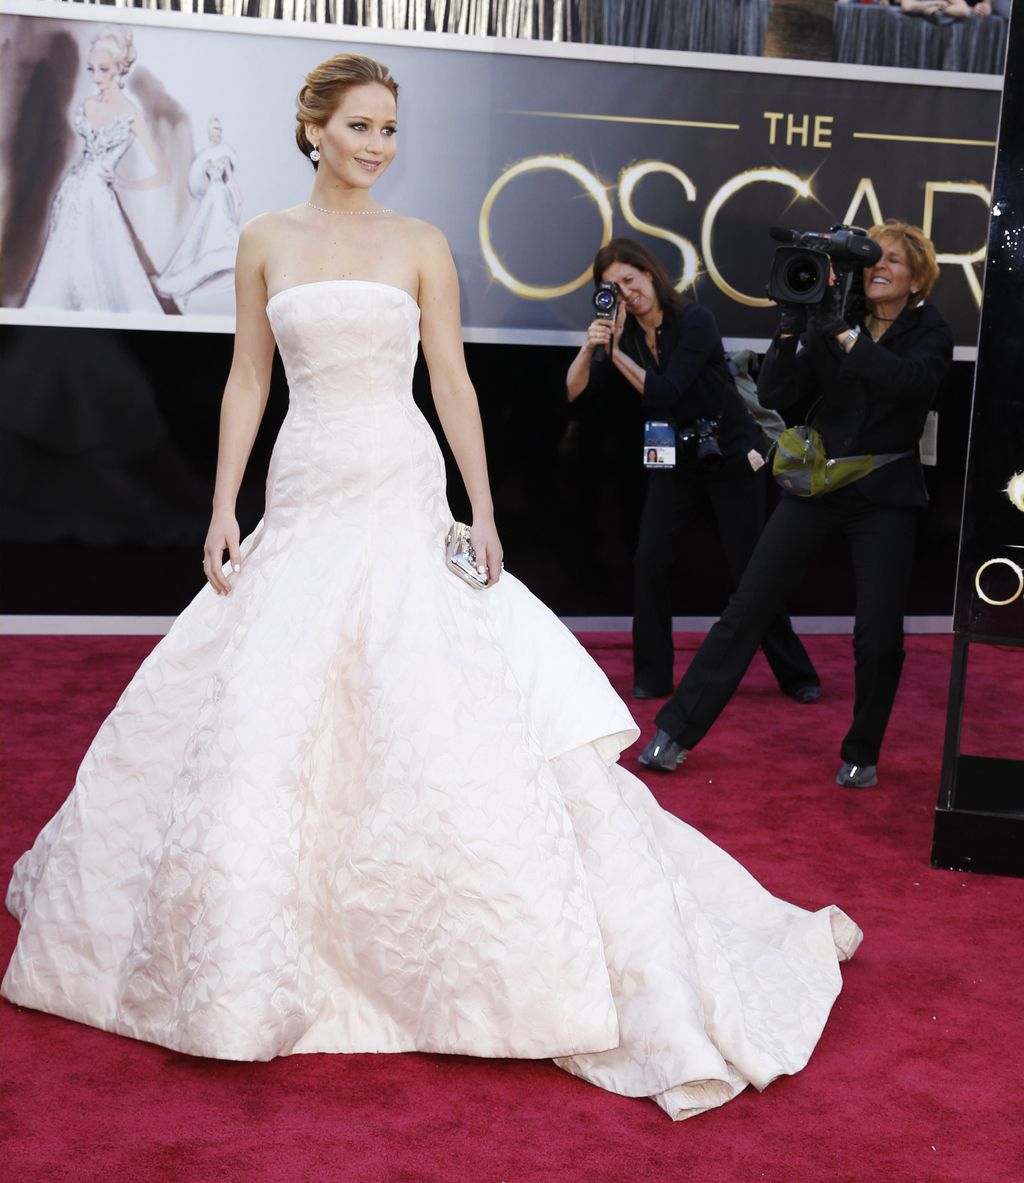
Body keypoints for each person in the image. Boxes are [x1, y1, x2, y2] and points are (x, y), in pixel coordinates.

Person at [2, 54, 861, 1122]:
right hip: (307, 481)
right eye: (360, 125)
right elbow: (249, 379)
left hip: (401, 482)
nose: (378, 145)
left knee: (432, 690)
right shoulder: (265, 237)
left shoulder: (420, 245)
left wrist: (484, 509)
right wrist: (222, 506)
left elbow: (449, 378)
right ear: (313, 127)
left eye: (391, 129)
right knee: (271, 696)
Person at [639, 220, 952, 788]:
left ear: (917, 279)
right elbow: (780, 396)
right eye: (872, 260)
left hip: (885, 495)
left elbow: (907, 383)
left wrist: (842, 335)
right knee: (747, 606)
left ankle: (862, 751)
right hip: (817, 486)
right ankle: (674, 732)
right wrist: (790, 330)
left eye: (893, 262)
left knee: (878, 632)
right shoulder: (838, 313)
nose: (878, 269)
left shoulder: (930, 331)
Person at [565, 238, 820, 706]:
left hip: (728, 452)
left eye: (629, 279)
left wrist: (617, 353)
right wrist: (594, 346)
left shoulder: (696, 320)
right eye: (612, 287)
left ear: (649, 274)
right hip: (673, 459)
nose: (626, 291)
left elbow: (666, 391)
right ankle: (653, 676)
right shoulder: (629, 336)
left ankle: (796, 672)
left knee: (751, 572)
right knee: (649, 562)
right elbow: (576, 393)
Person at [24, 25, 170, 313]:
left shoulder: (130, 114)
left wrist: (124, 182)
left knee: (100, 269)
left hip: (98, 201)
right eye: (92, 69)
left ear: (119, 68)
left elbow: (163, 171)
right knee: (61, 264)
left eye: (103, 69)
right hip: (70, 194)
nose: (97, 77)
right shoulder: (87, 104)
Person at [154, 117, 242, 308]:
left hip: (221, 194)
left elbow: (231, 179)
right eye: (213, 132)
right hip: (211, 196)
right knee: (206, 228)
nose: (215, 135)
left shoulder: (225, 154)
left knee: (223, 226)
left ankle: (224, 260)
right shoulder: (204, 157)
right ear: (210, 134)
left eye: (218, 131)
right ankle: (206, 263)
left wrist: (237, 196)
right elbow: (202, 182)